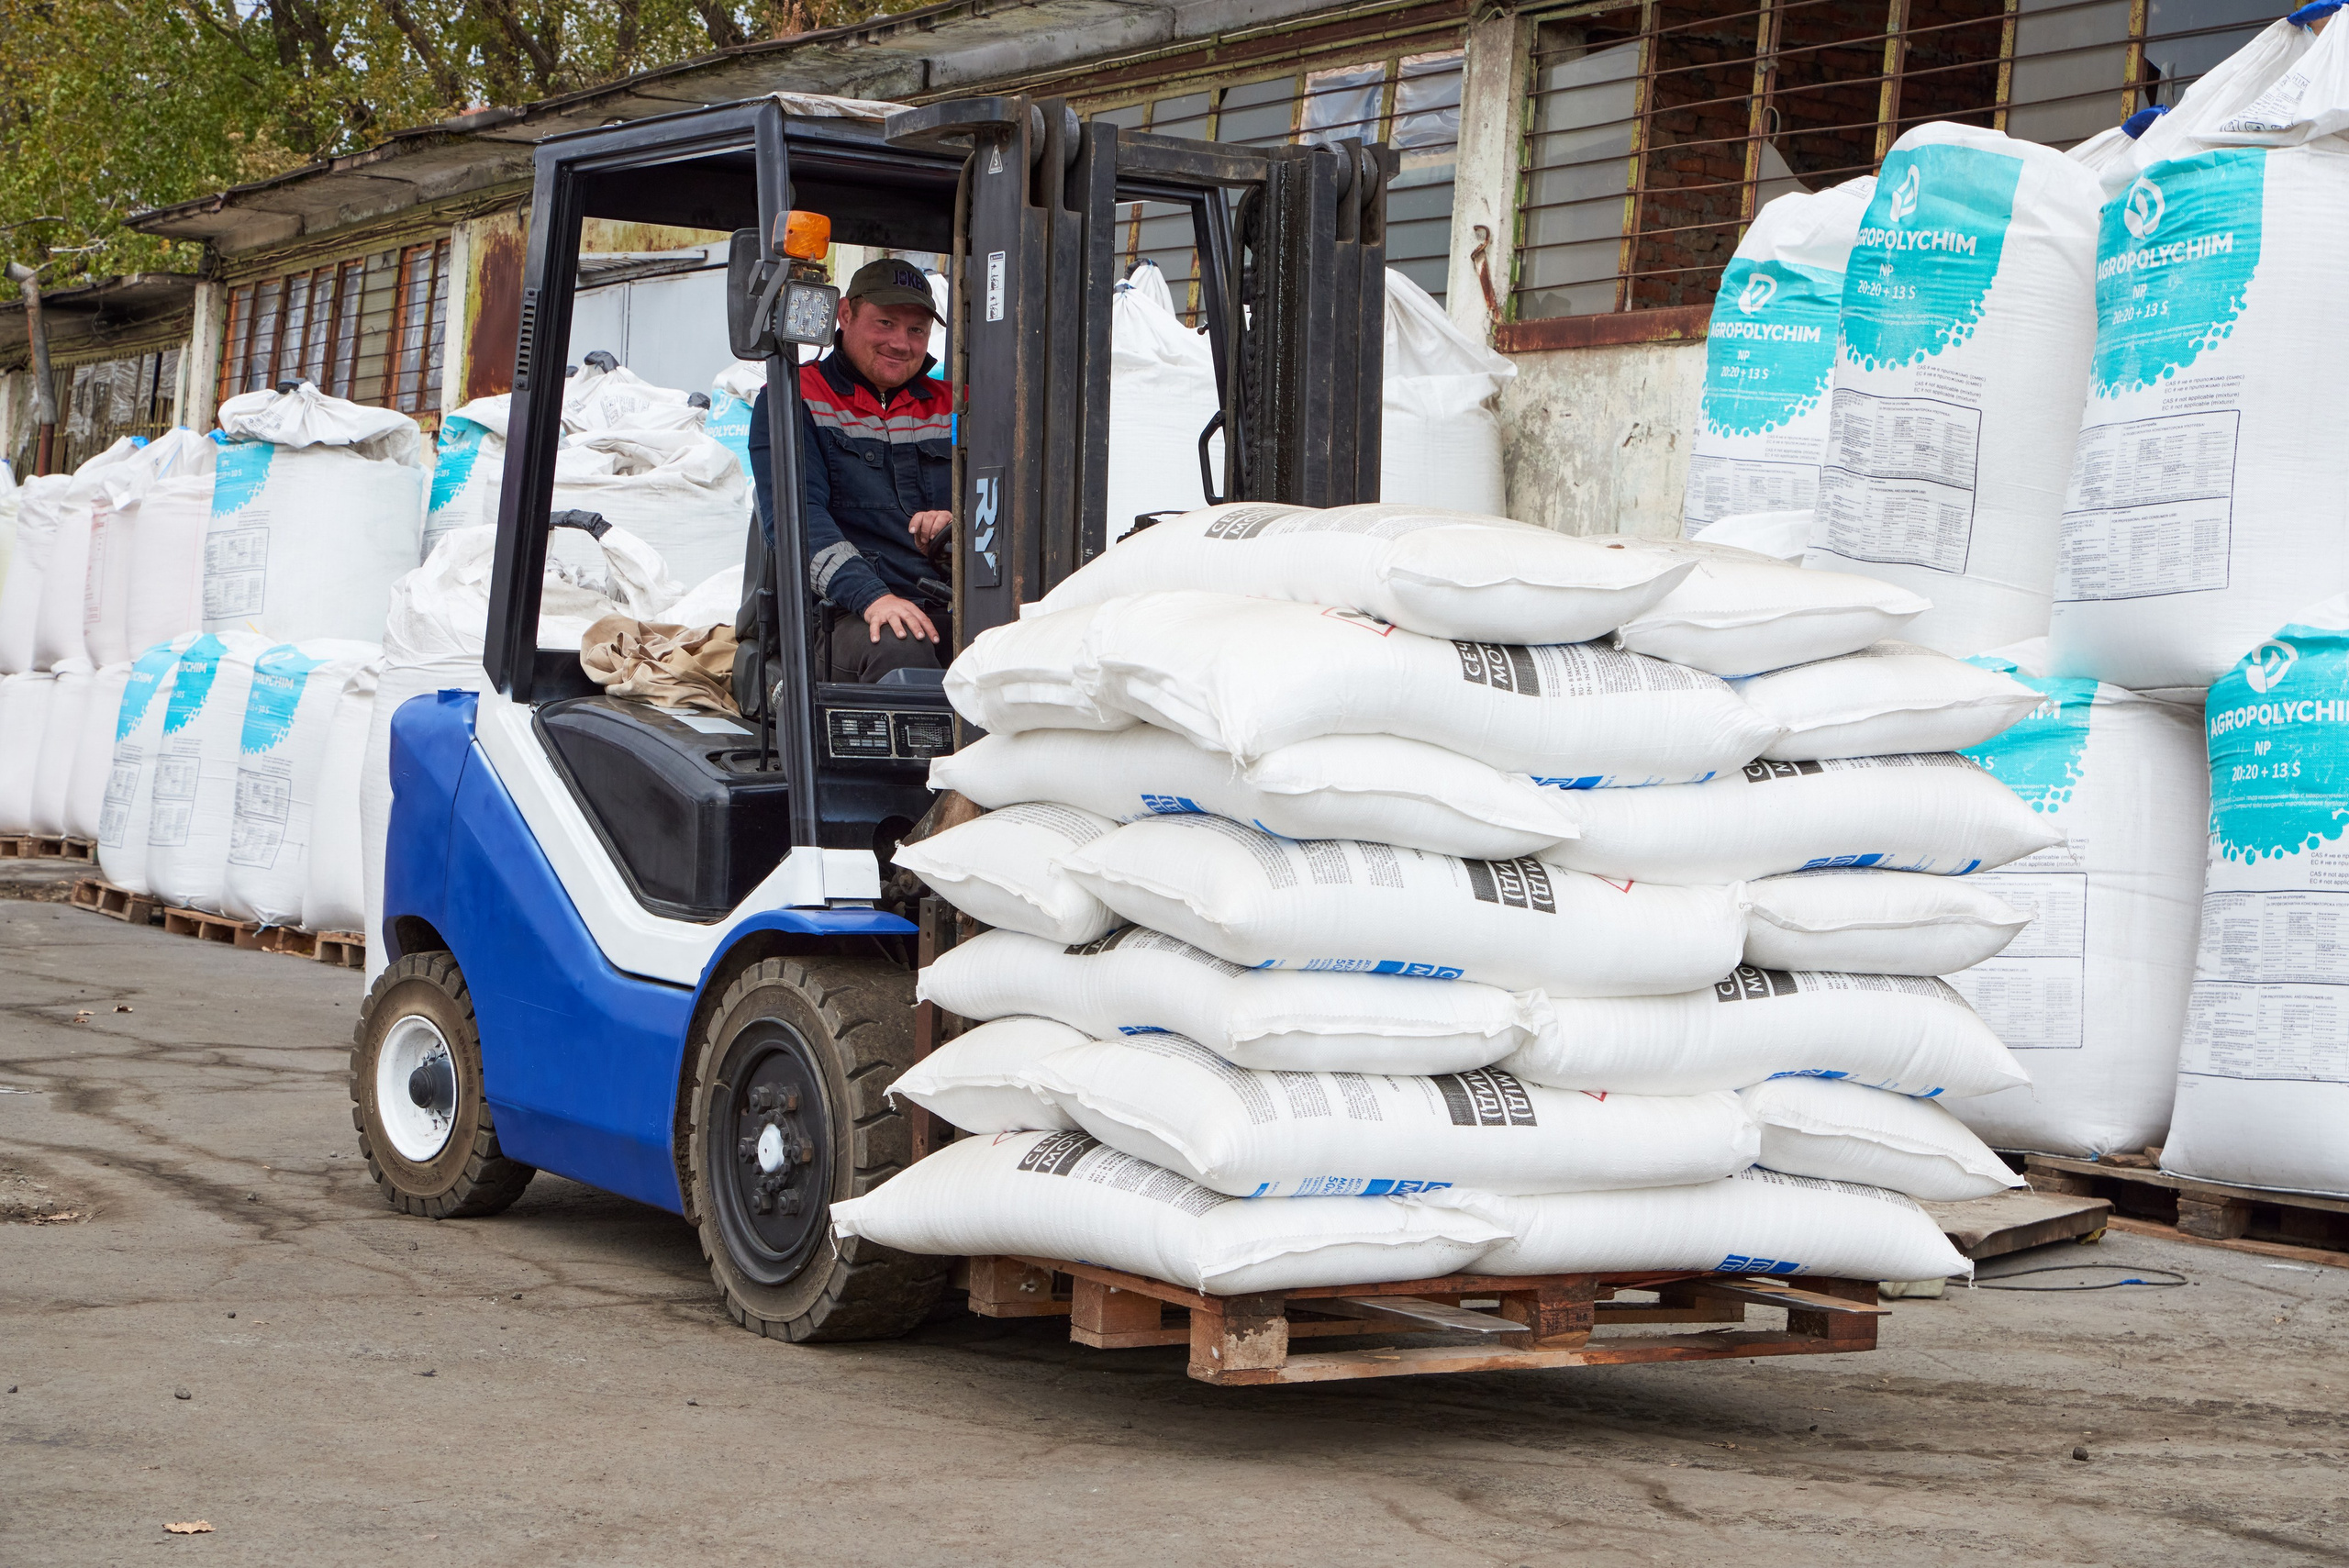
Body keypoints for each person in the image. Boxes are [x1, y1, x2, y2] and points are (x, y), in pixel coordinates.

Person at [747, 257, 953, 683]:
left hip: (949, 603)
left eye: (916, 330)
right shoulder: (794, 398)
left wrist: (962, 522)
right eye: (886, 323)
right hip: (840, 616)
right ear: (845, 314)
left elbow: (1005, 500)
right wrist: (872, 597)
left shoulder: (957, 404)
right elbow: (797, 522)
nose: (902, 342)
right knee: (901, 645)